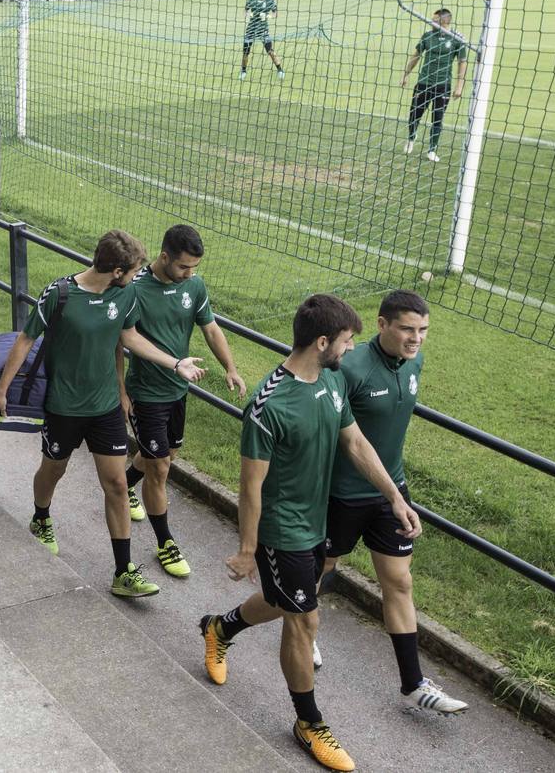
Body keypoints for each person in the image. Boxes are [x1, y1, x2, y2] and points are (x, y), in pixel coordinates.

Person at [199, 294, 422, 773]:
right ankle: (309, 723)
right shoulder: (268, 405)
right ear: (322, 342)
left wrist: (395, 498)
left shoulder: (333, 380)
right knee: (304, 619)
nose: (350, 349)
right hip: (285, 531)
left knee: (285, 602)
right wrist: (247, 549)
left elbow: (356, 443)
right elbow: (250, 486)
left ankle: (220, 628)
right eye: (345, 341)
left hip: (318, 519)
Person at [0, 230, 207, 599]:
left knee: (118, 484)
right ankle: (41, 516)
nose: (140, 275)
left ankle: (124, 571)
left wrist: (174, 363)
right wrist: (1, 390)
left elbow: (129, 339)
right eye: (134, 270)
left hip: (104, 407)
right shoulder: (60, 294)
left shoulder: (125, 294)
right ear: (117, 270)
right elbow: (26, 339)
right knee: (54, 469)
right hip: (64, 407)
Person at [317, 290, 467, 714]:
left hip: (391, 494)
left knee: (399, 582)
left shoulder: (414, 360)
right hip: (341, 495)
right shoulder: (350, 368)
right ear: (381, 324)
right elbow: (335, 434)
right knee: (324, 567)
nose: (415, 338)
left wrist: (394, 492)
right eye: (406, 328)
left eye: (422, 330)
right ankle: (302, 630)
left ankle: (414, 684)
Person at [117, 224, 245, 579]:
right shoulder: (135, 289)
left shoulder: (194, 286)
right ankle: (165, 543)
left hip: (178, 391)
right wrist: (121, 391)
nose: (189, 274)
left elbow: (211, 328)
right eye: (184, 267)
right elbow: (122, 340)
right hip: (145, 393)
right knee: (159, 468)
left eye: (194, 269)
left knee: (165, 456)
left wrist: (230, 368)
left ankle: (125, 485)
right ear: (164, 257)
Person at [401, 8, 468, 163]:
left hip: (443, 85)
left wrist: (459, 86)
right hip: (424, 83)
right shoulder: (427, 36)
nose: (430, 22)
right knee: (414, 115)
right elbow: (416, 56)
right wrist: (406, 74)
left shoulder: (457, 39)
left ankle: (431, 150)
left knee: (437, 119)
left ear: (444, 21)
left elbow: (462, 63)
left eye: (434, 20)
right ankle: (411, 137)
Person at [240, 0, 283, 81]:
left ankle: (280, 70)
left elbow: (275, 14)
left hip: (263, 29)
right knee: (245, 52)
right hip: (251, 29)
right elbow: (245, 10)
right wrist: (247, 15)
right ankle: (243, 71)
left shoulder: (270, 1)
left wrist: (268, 16)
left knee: (270, 51)